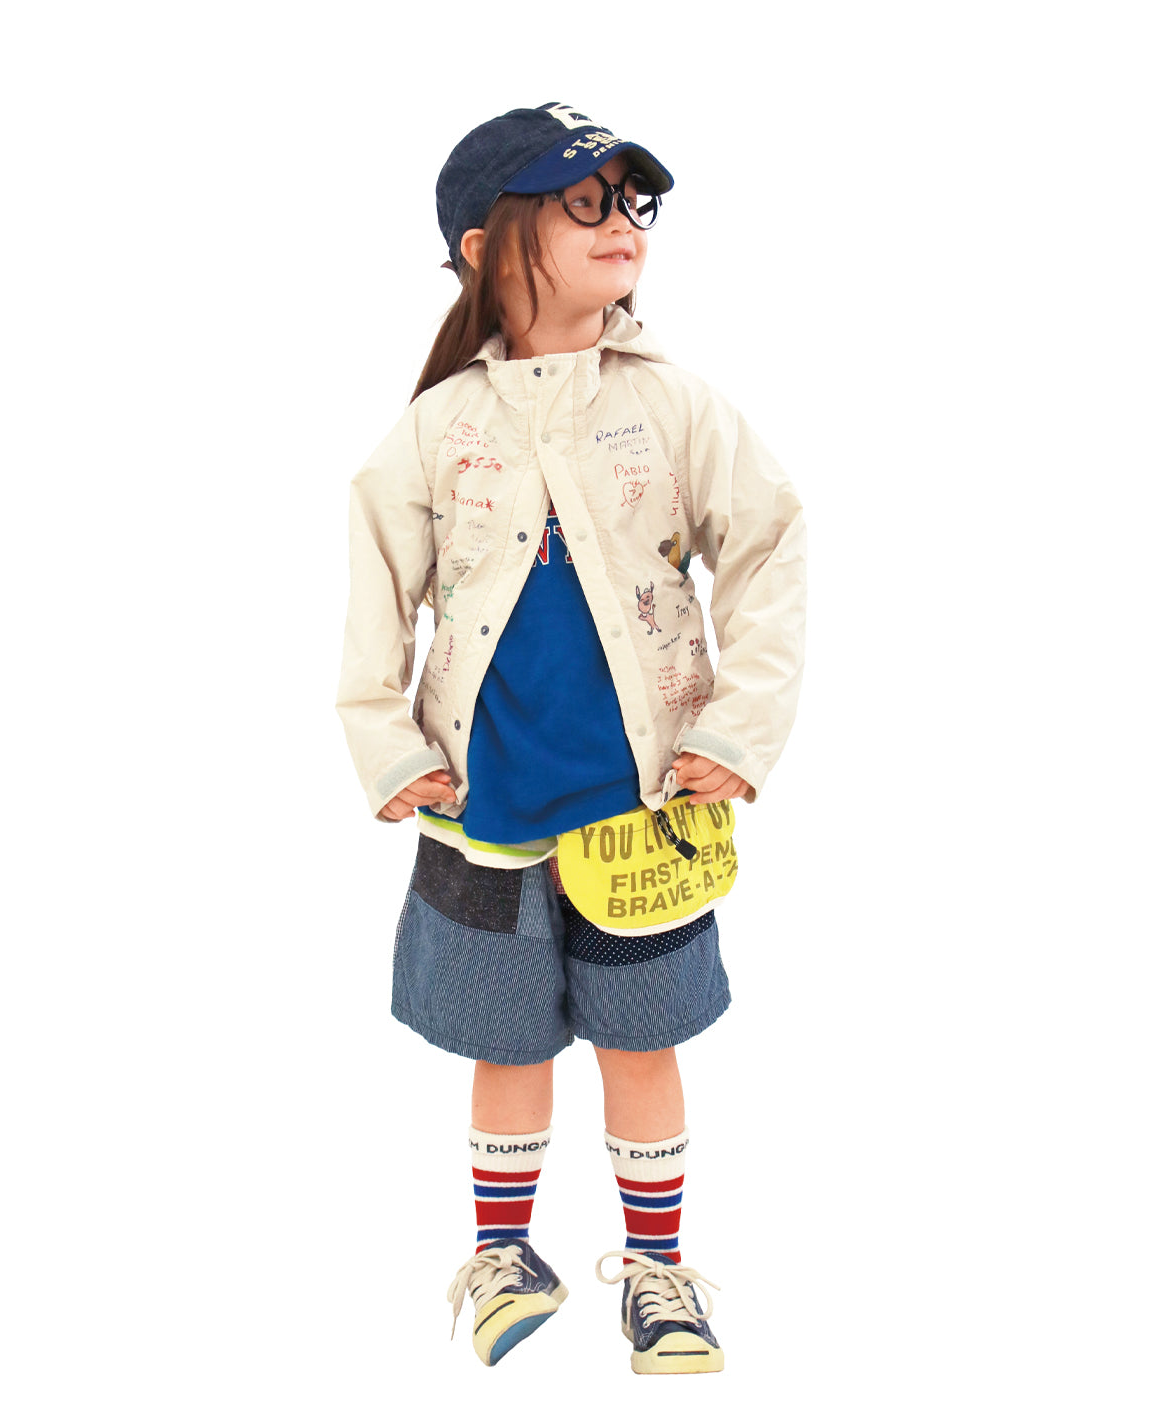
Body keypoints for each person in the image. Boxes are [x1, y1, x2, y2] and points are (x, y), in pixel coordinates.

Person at [336, 102, 806, 1375]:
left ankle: (657, 1271)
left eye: (628, 203)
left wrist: (738, 729)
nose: (620, 226)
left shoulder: (675, 406)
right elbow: (375, 585)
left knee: (641, 1038)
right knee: (505, 1042)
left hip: (642, 808)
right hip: (480, 808)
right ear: (488, 245)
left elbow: (768, 547)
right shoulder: (437, 427)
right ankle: (503, 1251)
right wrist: (386, 745)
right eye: (582, 203)